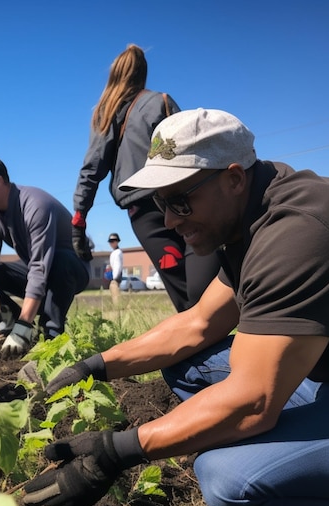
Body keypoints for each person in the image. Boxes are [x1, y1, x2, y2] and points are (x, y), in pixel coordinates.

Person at [24, 108, 329, 506]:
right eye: (160, 203)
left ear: (234, 178)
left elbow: (254, 401)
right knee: (188, 362)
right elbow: (198, 324)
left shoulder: (298, 233)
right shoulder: (249, 216)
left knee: (228, 479)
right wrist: (92, 366)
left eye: (180, 200)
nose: (169, 221)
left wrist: (117, 451)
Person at [72, 44, 220, 312]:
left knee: (183, 291)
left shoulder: (104, 113)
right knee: (205, 280)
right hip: (182, 199)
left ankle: (200, 341)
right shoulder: (160, 102)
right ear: (143, 73)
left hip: (144, 210)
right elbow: (188, 148)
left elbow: (92, 168)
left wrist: (79, 220)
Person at [0, 156, 90, 358]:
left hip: (73, 267)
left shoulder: (35, 205)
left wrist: (25, 322)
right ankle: (10, 319)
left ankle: (51, 337)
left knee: (59, 262)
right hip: (41, 268)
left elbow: (40, 266)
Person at [107, 232, 123, 304]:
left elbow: (118, 265)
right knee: (113, 291)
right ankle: (116, 306)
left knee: (115, 291)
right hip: (114, 275)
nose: (111, 243)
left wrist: (115, 277)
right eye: (110, 241)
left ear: (117, 241)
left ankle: (117, 307)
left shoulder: (118, 252)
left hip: (116, 276)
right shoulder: (114, 252)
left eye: (113, 241)